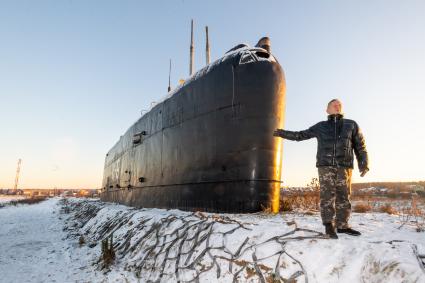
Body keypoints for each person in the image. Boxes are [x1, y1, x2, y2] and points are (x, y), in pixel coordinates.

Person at [273, 99, 369, 239]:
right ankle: (328, 225)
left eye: (339, 104)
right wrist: (282, 133)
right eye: (333, 104)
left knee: (344, 197)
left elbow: (360, 146)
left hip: (344, 166)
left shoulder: (351, 125)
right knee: (327, 197)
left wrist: (364, 163)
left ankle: (342, 226)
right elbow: (300, 135)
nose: (337, 105)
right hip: (326, 166)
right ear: (327, 110)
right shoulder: (321, 126)